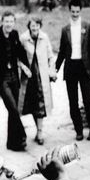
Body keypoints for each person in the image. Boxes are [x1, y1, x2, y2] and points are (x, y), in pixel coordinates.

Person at [0, 11, 31, 151]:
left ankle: (12, 143)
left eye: (11, 21)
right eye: (6, 21)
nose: (9, 24)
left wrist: (26, 66)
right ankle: (22, 136)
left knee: (13, 110)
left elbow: (21, 53)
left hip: (14, 76)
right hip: (1, 78)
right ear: (2, 22)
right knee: (12, 108)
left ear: (14, 22)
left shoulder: (14, 34)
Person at [55, 0, 90, 141]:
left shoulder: (87, 26)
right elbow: (62, 51)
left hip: (84, 67)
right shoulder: (65, 29)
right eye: (72, 11)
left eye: (77, 11)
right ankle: (78, 130)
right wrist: (55, 68)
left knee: (87, 100)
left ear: (81, 11)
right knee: (72, 101)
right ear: (70, 11)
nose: (75, 14)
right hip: (70, 68)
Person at [19, 17, 56, 145]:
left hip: (41, 76)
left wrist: (52, 70)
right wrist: (23, 68)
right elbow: (17, 57)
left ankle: (40, 132)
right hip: (29, 77)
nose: (34, 28)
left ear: (40, 26)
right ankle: (36, 129)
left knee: (41, 103)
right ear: (28, 26)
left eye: (37, 25)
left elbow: (51, 56)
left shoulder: (44, 37)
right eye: (32, 25)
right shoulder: (23, 38)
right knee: (31, 103)